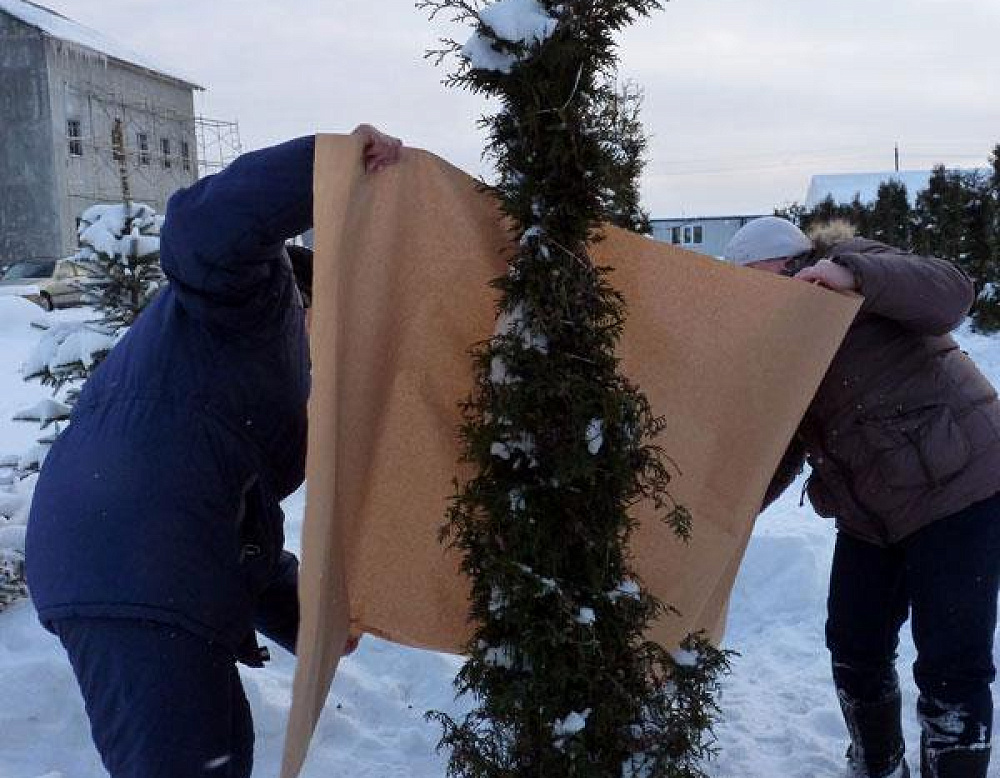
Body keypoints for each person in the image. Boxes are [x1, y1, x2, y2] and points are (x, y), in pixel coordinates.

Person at [25, 124, 403, 777]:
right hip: (136, 551)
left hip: (140, 555)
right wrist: (328, 165)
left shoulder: (241, 366)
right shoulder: (250, 294)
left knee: (218, 751)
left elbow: (237, 519)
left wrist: (306, 618)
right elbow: (203, 224)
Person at [725, 216, 1000, 778]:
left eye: (764, 278)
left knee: (951, 664)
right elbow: (778, 448)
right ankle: (877, 765)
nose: (759, 298)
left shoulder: (855, 263)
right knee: (854, 646)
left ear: (795, 261)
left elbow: (953, 293)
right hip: (870, 514)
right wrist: (723, 512)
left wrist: (854, 275)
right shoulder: (781, 344)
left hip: (959, 491)